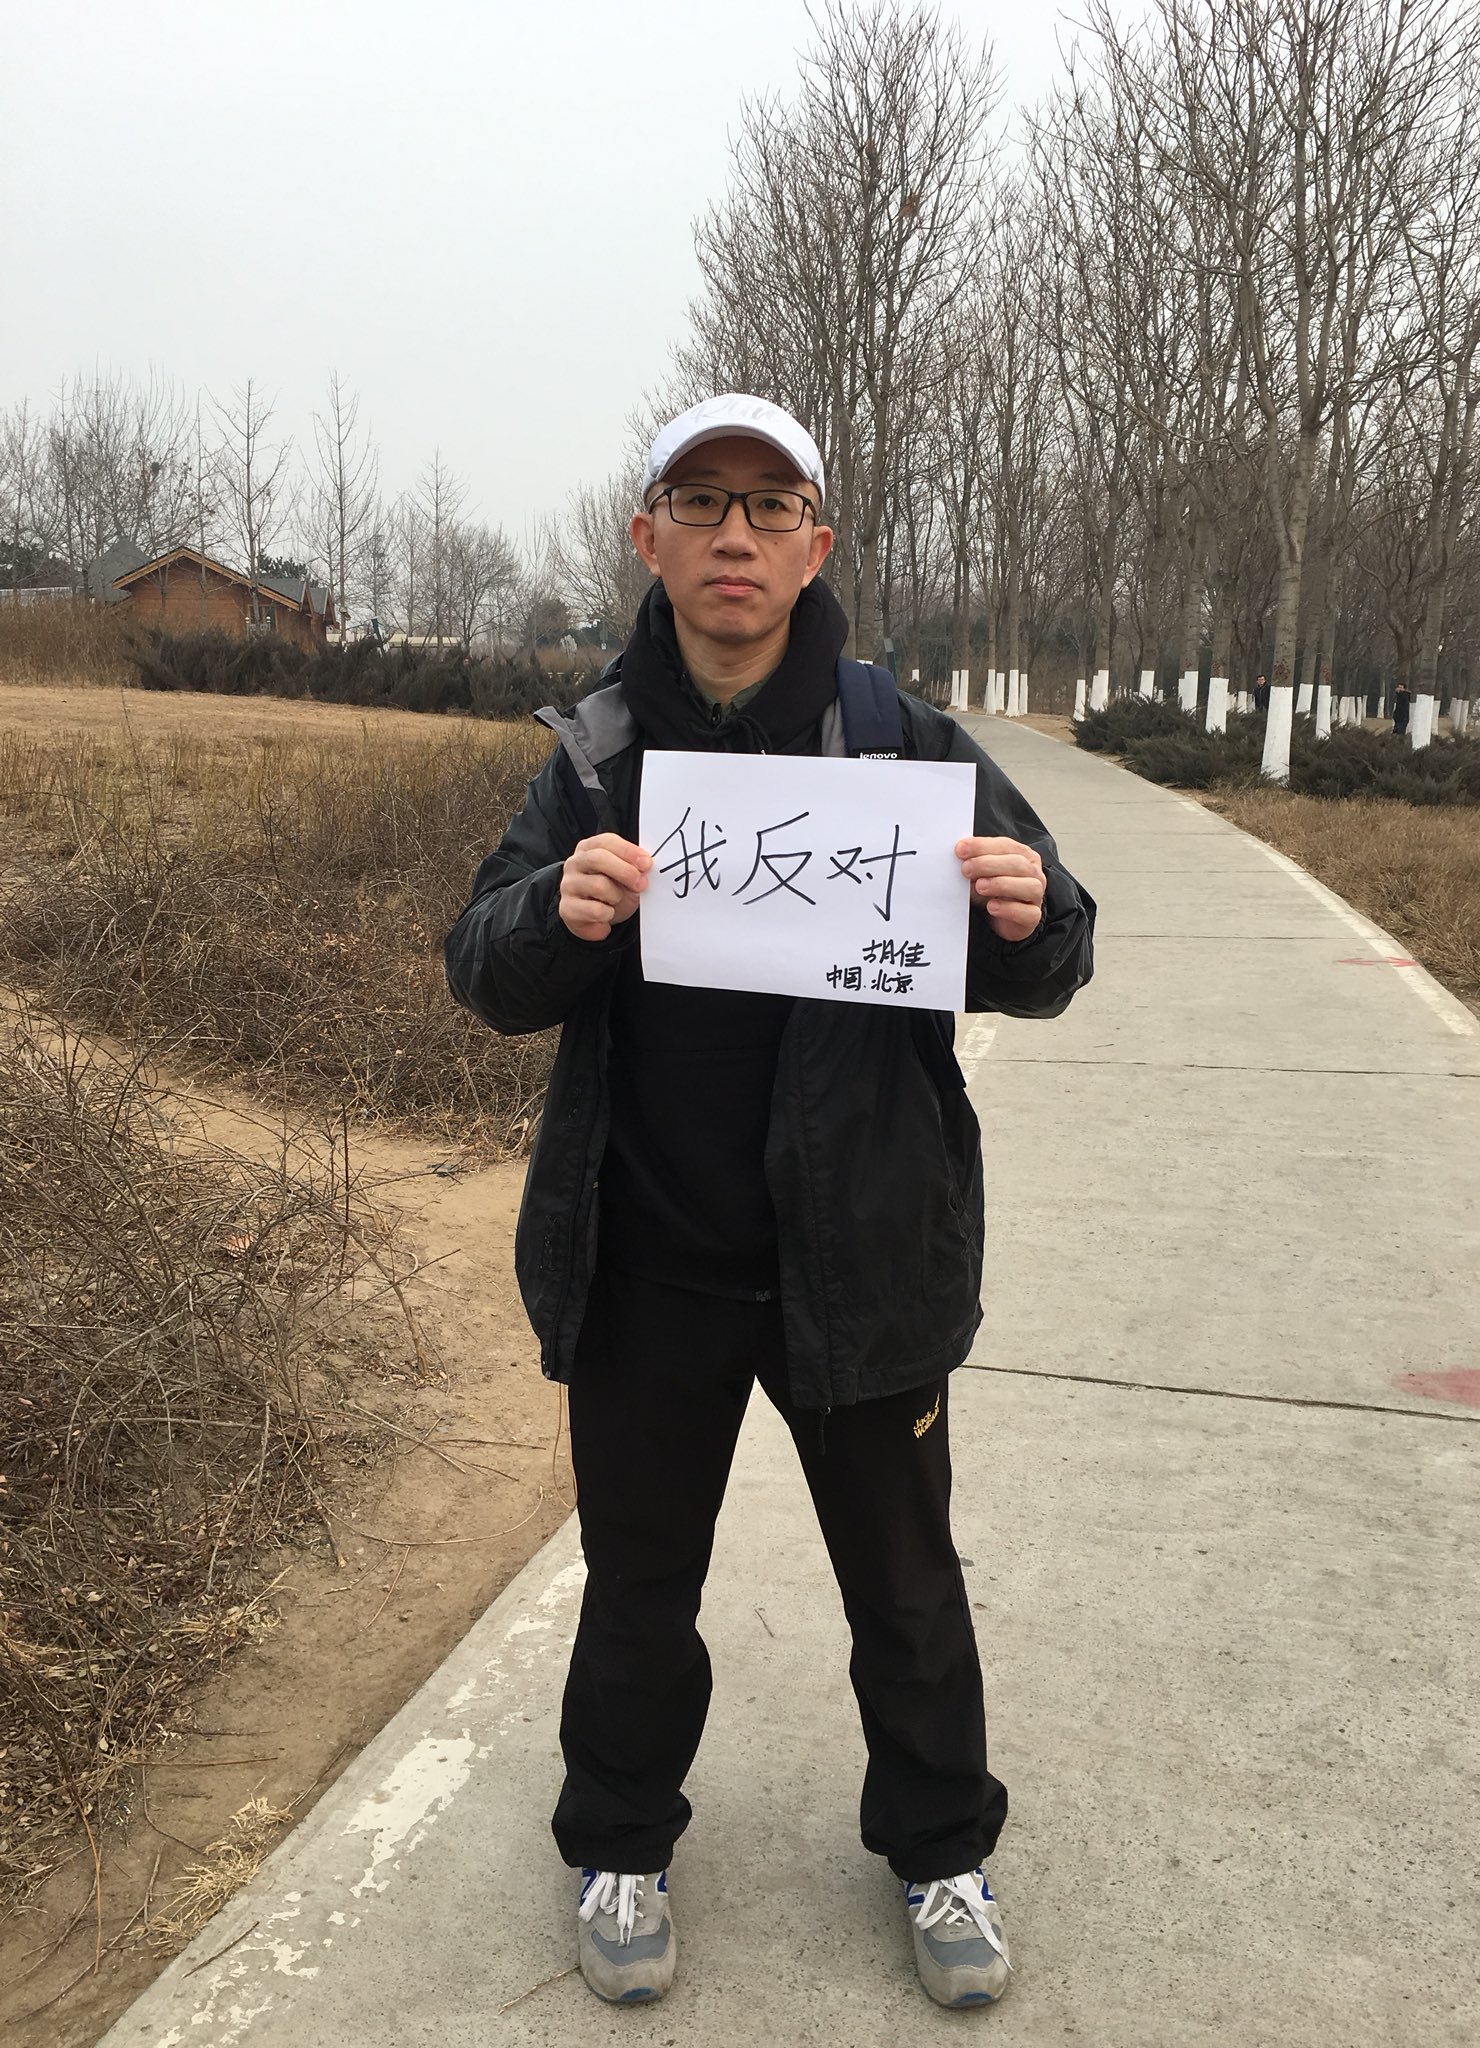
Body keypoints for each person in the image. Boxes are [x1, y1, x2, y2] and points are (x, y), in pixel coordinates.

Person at [444, 394, 1095, 2011]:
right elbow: (483, 967)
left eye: (769, 505)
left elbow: (1051, 954)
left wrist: (1029, 915)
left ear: (816, 545)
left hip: (860, 1265)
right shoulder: (598, 757)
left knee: (907, 1588)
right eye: (702, 500)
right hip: (650, 1266)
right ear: (649, 536)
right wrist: (554, 910)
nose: (734, 535)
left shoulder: (901, 746)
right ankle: (620, 1843)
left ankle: (942, 1850)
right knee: (639, 1588)